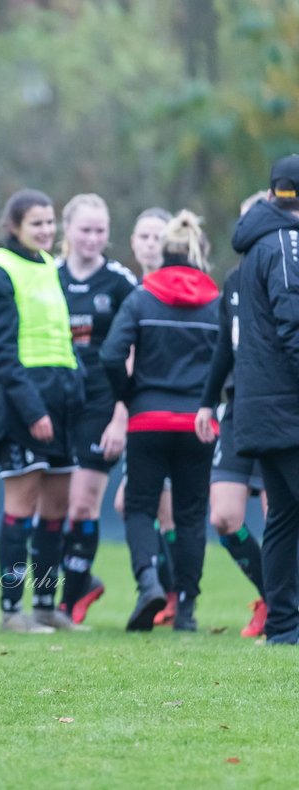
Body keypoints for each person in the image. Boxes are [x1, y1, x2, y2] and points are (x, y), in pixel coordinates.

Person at [102, 210, 218, 632]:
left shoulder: (141, 297)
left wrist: (129, 394)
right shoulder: (215, 302)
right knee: (190, 516)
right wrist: (211, 398)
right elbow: (232, 358)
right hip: (199, 423)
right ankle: (185, 609)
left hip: (148, 420)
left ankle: (149, 582)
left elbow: (111, 355)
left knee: (138, 507)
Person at [0, 189, 83, 633]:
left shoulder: (49, 267)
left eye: (50, 221)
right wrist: (32, 408)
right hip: (22, 402)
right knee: (22, 504)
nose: (46, 229)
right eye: (37, 223)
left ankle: (45, 604)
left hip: (61, 398)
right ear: (14, 226)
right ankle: (10, 609)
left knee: (57, 506)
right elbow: (0, 353)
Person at [55, 195, 137, 624]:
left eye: (100, 230)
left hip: (101, 404)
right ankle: (61, 594)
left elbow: (135, 350)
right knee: (53, 505)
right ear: (67, 230)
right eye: (85, 229)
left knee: (83, 505)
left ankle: (70, 602)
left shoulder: (121, 283)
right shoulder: (48, 277)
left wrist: (121, 415)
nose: (92, 238)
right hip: (56, 402)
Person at [228, 154, 299, 644]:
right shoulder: (286, 241)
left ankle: (283, 627)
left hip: (262, 407)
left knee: (283, 520)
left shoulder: (258, 240)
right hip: (286, 408)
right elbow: (293, 321)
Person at [195, 230, 269, 639]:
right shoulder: (235, 280)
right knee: (224, 517)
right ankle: (272, 595)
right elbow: (226, 343)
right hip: (239, 411)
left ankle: (282, 602)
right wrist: (207, 402)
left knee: (281, 518)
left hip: (281, 410)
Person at [116, 207, 180, 624]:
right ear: (134, 242)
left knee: (161, 508)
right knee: (140, 504)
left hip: (172, 414)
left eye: (158, 236)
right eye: (143, 236)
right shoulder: (133, 290)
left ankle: (172, 593)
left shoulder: (179, 290)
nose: (150, 243)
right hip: (142, 414)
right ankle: (168, 590)